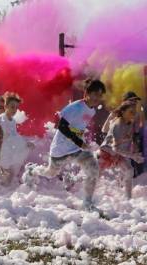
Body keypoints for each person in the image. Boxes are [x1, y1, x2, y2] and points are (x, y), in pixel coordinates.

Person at [22, 79, 106, 211]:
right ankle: (32, 170)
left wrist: (83, 141)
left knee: (93, 168)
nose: (97, 98)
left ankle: (87, 204)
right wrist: (79, 141)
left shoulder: (92, 111)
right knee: (50, 173)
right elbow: (61, 126)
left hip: (77, 149)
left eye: (100, 95)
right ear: (87, 93)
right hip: (60, 150)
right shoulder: (75, 107)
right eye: (95, 94)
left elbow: (78, 128)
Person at [98, 100, 144, 199]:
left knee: (129, 170)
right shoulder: (118, 124)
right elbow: (115, 148)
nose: (134, 114)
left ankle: (128, 198)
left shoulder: (130, 122)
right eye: (131, 112)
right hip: (107, 153)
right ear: (123, 112)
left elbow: (104, 130)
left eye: (135, 111)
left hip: (119, 154)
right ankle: (84, 195)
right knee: (95, 176)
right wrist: (133, 156)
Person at [0, 92, 34, 186]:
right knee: (5, 176)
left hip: (9, 148)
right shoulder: (1, 119)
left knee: (26, 147)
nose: (15, 110)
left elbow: (15, 135)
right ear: (5, 106)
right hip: (1, 149)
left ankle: (9, 181)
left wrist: (25, 143)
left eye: (16, 107)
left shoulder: (13, 121)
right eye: (12, 107)